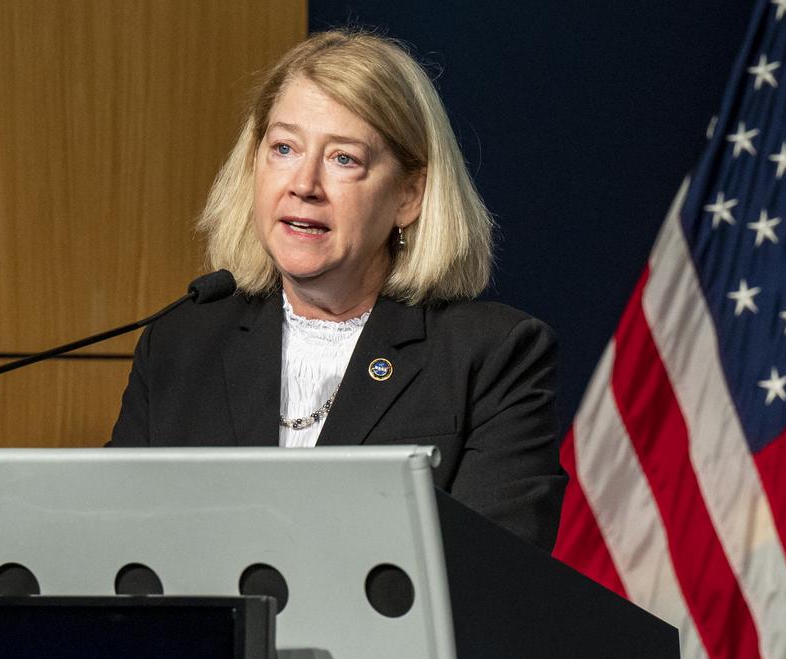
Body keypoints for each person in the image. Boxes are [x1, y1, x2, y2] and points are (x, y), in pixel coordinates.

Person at [109, 29, 566, 550]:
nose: (304, 184)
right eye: (284, 148)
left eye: (343, 158)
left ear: (409, 196)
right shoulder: (179, 343)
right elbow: (119, 550)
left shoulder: (491, 356)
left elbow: (496, 578)